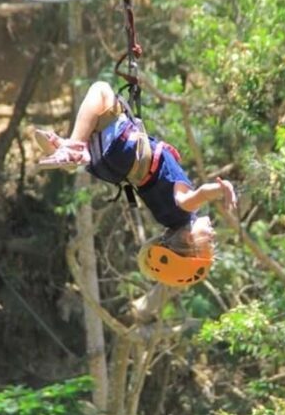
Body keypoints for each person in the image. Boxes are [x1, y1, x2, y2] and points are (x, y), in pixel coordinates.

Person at [35, 81, 236, 286]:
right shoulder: (165, 219)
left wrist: (221, 189)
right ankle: (68, 149)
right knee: (97, 115)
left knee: (101, 90)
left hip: (126, 150)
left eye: (209, 241)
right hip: (110, 167)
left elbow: (200, 194)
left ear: (188, 239)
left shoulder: (184, 209)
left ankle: (74, 148)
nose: (214, 235)